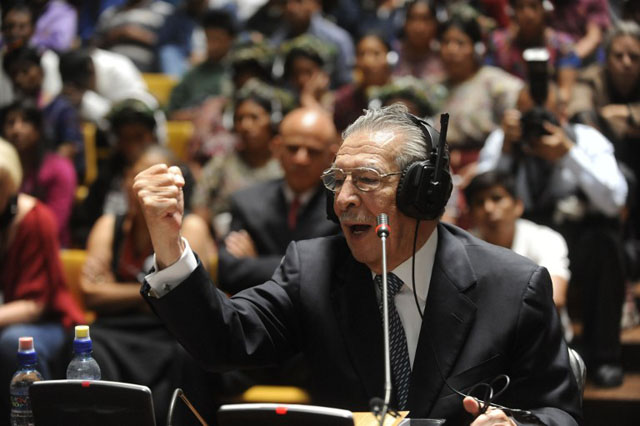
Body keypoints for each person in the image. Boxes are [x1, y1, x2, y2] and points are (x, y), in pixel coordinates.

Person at [134, 104, 581, 425]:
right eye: (337, 181)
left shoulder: (513, 285)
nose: (343, 200)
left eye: (366, 180)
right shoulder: (313, 269)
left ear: (423, 192)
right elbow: (222, 341)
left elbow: (558, 411)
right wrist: (168, 243)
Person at [477, 83, 629, 388]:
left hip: (578, 231)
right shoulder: (502, 139)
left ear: (562, 112)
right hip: (521, 228)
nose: (532, 120)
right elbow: (481, 195)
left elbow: (614, 200)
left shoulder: (585, 138)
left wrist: (569, 154)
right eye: (525, 113)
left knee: (606, 243)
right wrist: (506, 149)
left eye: (540, 112)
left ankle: (604, 356)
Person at [79, 145, 215, 421]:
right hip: (117, 329)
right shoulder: (109, 225)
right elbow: (91, 294)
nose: (141, 185)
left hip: (171, 332)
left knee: (193, 354)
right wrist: (156, 294)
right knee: (84, 343)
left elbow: (192, 300)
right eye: (136, 175)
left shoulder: (191, 227)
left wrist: (119, 293)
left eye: (156, 177)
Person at [0, 138, 84, 423]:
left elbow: (36, 304)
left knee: (15, 342)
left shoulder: (36, 219)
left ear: (11, 185)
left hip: (48, 322)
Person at [218, 107, 341, 293]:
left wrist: (256, 263)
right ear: (276, 148)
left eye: (313, 151)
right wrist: (306, 267)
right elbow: (229, 272)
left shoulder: (343, 206)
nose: (300, 159)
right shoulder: (246, 202)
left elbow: (336, 273)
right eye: (292, 148)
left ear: (332, 157)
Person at [464, 170, 573, 341]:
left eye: (496, 198)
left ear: (518, 206)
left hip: (543, 341)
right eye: (479, 202)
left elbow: (555, 299)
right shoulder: (462, 248)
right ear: (471, 214)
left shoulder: (546, 239)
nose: (488, 208)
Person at [191, 80, 285, 239]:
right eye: (240, 119)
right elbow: (200, 204)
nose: (246, 125)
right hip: (223, 240)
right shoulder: (222, 162)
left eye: (254, 117)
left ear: (271, 121)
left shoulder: (284, 164)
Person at [1, 100, 76, 247]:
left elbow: (55, 223)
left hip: (48, 247)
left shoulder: (60, 167)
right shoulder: (2, 170)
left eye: (25, 122)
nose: (17, 129)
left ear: (38, 130)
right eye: (10, 123)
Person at [166, 9, 236, 120]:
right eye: (209, 39)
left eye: (218, 39)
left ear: (231, 39)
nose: (213, 46)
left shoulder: (239, 71)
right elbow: (171, 112)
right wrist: (199, 114)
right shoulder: (193, 74)